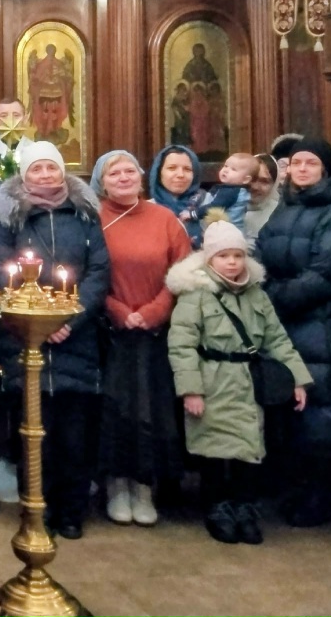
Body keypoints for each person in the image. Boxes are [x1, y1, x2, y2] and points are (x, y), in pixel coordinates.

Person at [0, 141, 109, 539]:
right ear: (24, 176)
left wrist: (68, 319)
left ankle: (70, 511)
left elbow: (98, 272)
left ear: (63, 172)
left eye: (51, 168)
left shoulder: (85, 215)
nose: (45, 175)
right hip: (26, 339)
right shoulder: (10, 218)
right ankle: (34, 509)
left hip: (76, 337)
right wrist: (36, 323)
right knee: (32, 431)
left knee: (75, 434)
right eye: (36, 169)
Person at [167, 221, 311, 544]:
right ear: (209, 259)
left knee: (248, 449)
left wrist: (297, 378)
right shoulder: (195, 296)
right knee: (214, 450)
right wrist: (191, 389)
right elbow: (182, 345)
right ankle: (217, 507)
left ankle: (245, 506)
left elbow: (277, 339)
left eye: (238, 255)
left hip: (248, 383)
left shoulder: (256, 295)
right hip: (213, 381)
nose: (232, 262)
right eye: (223, 256)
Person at [90, 150, 192, 527]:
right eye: (114, 172)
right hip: (109, 333)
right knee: (115, 411)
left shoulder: (164, 219)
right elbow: (86, 273)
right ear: (101, 182)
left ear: (141, 176)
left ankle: (145, 487)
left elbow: (184, 271)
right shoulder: (92, 218)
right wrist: (118, 311)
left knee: (153, 411)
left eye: (129, 171)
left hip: (155, 332)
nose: (123, 177)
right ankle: (116, 486)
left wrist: (153, 312)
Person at [255, 137, 331, 527]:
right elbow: (260, 253)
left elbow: (329, 271)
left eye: (311, 163)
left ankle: (317, 496)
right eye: (296, 163)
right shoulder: (284, 207)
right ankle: (290, 487)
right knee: (288, 407)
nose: (302, 169)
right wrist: (261, 286)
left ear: (325, 169)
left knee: (320, 410)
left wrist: (276, 297)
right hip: (284, 324)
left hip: (321, 324)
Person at [149, 144, 209, 248]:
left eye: (187, 169)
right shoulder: (147, 209)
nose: (180, 175)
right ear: (159, 173)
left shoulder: (209, 203)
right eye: (172, 168)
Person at [202, 152, 258, 231]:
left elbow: (213, 207)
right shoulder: (237, 190)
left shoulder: (231, 192)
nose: (226, 170)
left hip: (227, 231)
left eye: (233, 169)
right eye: (226, 166)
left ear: (246, 179)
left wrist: (193, 214)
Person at [244, 154, 279, 243]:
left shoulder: (280, 214)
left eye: (264, 181)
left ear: (274, 184)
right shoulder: (226, 209)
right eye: (252, 179)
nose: (255, 187)